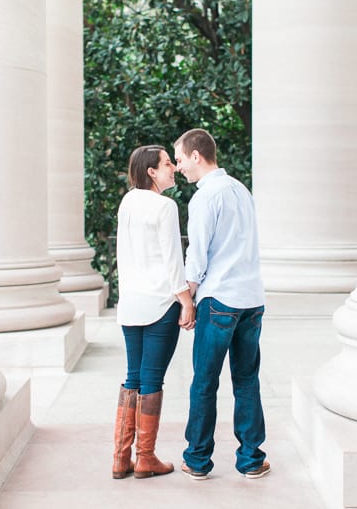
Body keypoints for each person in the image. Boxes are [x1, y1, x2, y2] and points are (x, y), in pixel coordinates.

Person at [173, 128, 270, 480]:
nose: (179, 167)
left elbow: (197, 255)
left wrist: (188, 296)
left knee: (204, 382)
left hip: (219, 300)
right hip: (252, 300)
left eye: (181, 159)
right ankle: (251, 460)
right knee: (246, 381)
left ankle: (197, 460)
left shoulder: (205, 197)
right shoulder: (242, 190)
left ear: (196, 155)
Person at [112, 144, 195, 480]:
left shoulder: (127, 202)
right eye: (166, 164)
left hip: (131, 303)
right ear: (151, 172)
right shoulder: (164, 206)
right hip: (161, 303)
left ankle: (120, 459)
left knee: (133, 377)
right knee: (152, 380)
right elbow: (173, 258)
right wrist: (186, 300)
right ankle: (145, 458)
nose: (173, 167)